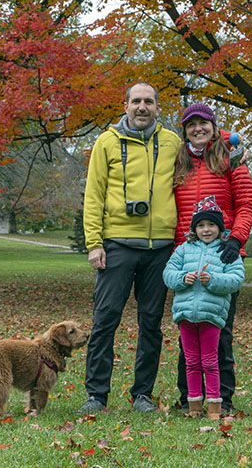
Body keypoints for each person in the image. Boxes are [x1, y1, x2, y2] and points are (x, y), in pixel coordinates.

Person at [77, 82, 180, 416]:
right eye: (136, 101)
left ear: (157, 107)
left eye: (149, 101)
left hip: (160, 248)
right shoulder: (106, 142)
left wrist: (236, 154)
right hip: (117, 245)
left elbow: (202, 159)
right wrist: (94, 243)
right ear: (125, 106)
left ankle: (143, 395)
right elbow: (93, 197)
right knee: (105, 320)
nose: (142, 107)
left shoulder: (172, 142)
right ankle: (97, 395)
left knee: (151, 324)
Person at [173, 102, 252, 415]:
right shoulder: (178, 160)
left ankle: (223, 400)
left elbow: (247, 204)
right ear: (184, 130)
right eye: (191, 124)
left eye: (203, 123)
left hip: (223, 255)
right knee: (188, 328)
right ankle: (189, 399)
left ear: (213, 125)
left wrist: (235, 240)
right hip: (186, 256)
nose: (198, 129)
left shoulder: (229, 156)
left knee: (218, 330)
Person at [162, 196, 245, 420]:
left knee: (210, 361)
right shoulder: (183, 250)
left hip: (212, 315)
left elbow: (236, 279)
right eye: (200, 225)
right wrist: (182, 277)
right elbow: (168, 274)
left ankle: (215, 407)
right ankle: (194, 406)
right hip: (186, 315)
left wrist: (214, 280)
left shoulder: (227, 252)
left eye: (211, 225)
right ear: (194, 228)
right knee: (191, 361)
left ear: (220, 228)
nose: (206, 230)